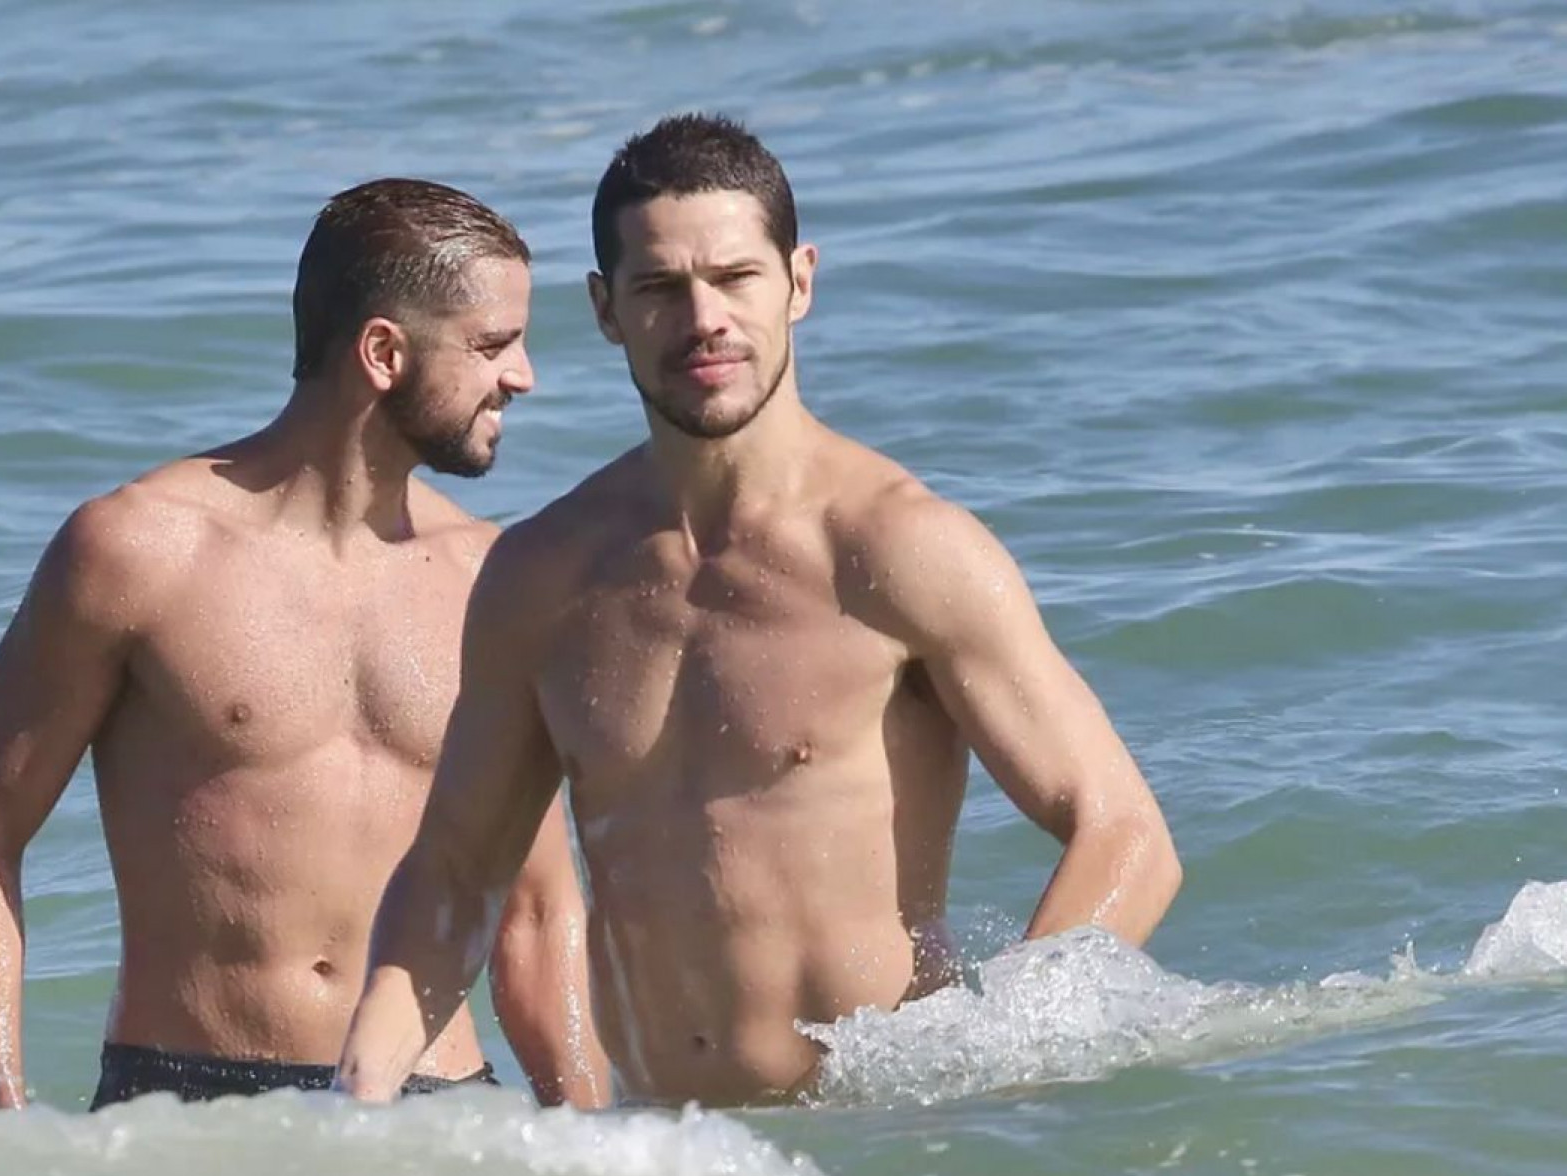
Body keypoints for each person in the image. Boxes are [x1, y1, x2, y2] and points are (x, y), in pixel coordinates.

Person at [336, 115, 1182, 1108]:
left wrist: (996, 1058)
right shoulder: (544, 576)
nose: (703, 319)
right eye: (659, 287)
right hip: (668, 1142)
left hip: (887, 1135)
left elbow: (1125, 834)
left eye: (736, 277)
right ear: (607, 310)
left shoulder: (898, 550)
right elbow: (454, 874)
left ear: (800, 281)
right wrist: (359, 1099)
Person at [0, 178, 607, 1111]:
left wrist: (596, 1140)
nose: (523, 375)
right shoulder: (139, 552)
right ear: (383, 352)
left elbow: (534, 911)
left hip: (438, 1107)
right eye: (493, 345)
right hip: (189, 1106)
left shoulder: (490, 580)